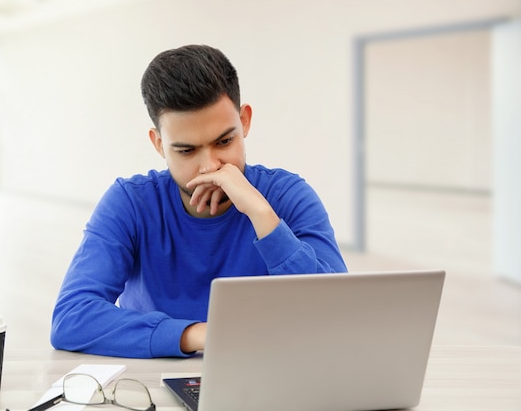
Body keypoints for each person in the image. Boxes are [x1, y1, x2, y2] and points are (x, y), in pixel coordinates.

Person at [51, 44, 347, 359]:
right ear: (158, 143)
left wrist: (262, 216)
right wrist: (200, 334)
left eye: (224, 141)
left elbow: (340, 314)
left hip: (269, 370)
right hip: (153, 380)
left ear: (244, 121)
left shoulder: (289, 195)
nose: (210, 166)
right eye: (187, 150)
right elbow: (72, 317)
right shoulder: (130, 203)